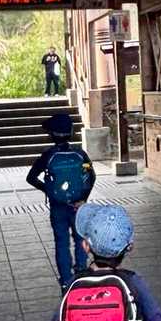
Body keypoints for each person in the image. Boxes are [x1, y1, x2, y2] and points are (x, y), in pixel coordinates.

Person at [26, 111, 95, 289]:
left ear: (51, 134)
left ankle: (66, 279)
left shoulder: (47, 155)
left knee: (61, 242)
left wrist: (49, 190)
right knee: (80, 238)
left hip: (58, 207)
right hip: (78, 205)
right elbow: (91, 175)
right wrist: (83, 198)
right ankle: (81, 271)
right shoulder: (80, 154)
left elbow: (31, 178)